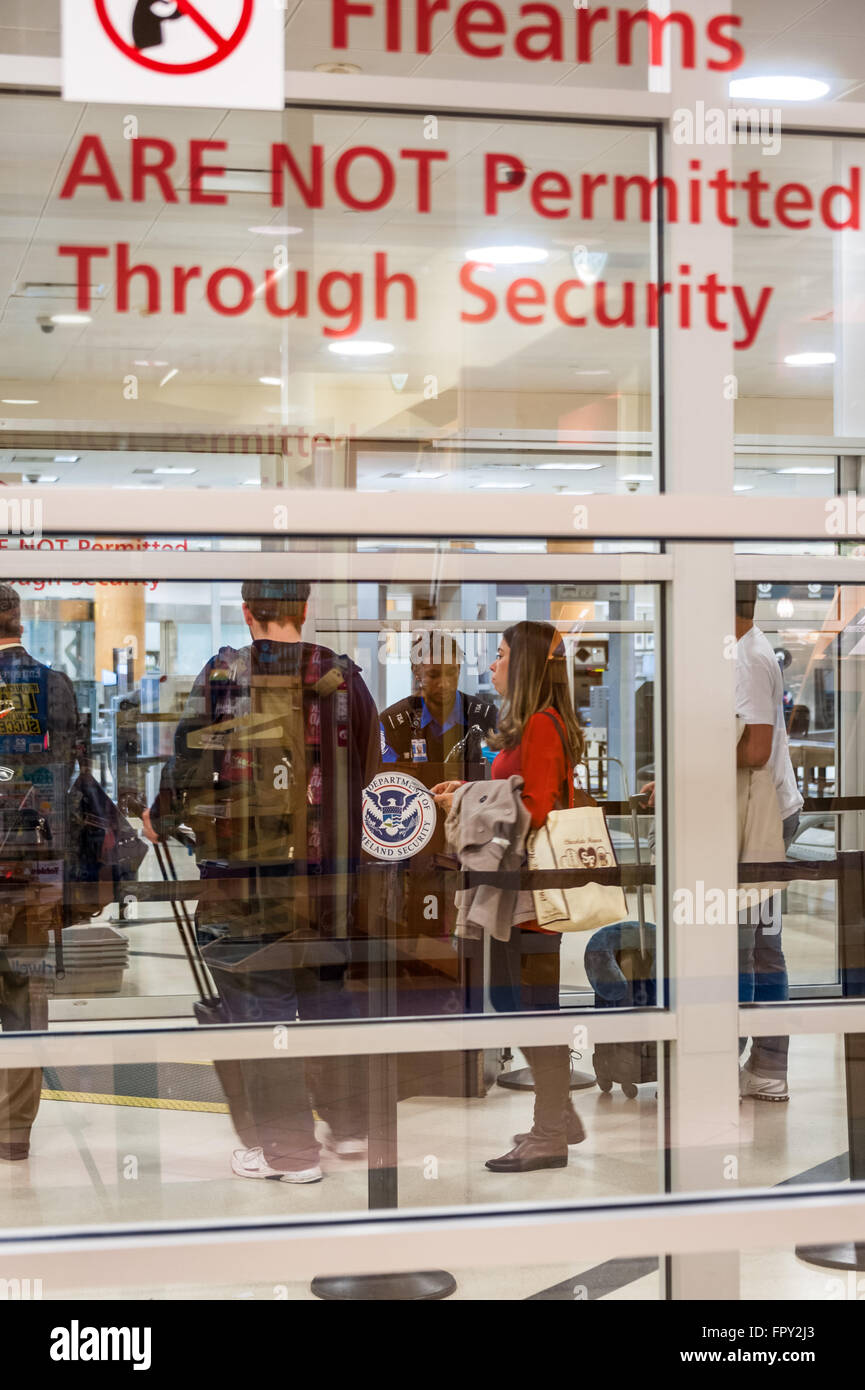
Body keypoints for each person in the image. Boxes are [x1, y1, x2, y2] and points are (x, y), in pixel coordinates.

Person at [143, 580, 380, 1183]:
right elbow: (371, 775)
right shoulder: (346, 678)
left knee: (260, 1007)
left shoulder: (224, 676)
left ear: (248, 612)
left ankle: (290, 1154)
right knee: (328, 997)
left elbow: (187, 765)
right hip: (329, 880)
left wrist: (161, 815)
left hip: (245, 878)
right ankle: (351, 1131)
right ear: (306, 610)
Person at [434, 620, 587, 1173]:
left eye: (499, 656)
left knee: (530, 1008)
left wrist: (470, 797)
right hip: (517, 892)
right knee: (517, 1003)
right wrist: (472, 792)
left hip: (529, 897)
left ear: (521, 666)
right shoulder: (534, 725)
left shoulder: (543, 726)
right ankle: (559, 1113)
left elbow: (538, 809)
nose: (491, 665)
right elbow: (520, 794)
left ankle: (550, 1132)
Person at [0, 584, 83, 1162]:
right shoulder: (55, 684)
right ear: (20, 622)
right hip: (35, 863)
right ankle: (13, 1130)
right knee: (25, 992)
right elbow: (70, 769)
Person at [735, 584, 803, 1102]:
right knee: (752, 945)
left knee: (754, 948)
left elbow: (755, 749)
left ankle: (767, 1066)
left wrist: (686, 756)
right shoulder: (746, 649)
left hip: (765, 820)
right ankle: (759, 1063)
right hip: (758, 814)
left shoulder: (747, 656)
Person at [379, 630, 497, 776]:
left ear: (459, 669)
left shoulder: (486, 717)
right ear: (416, 673)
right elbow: (386, 784)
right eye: (433, 675)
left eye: (451, 673)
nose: (444, 684)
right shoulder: (392, 724)